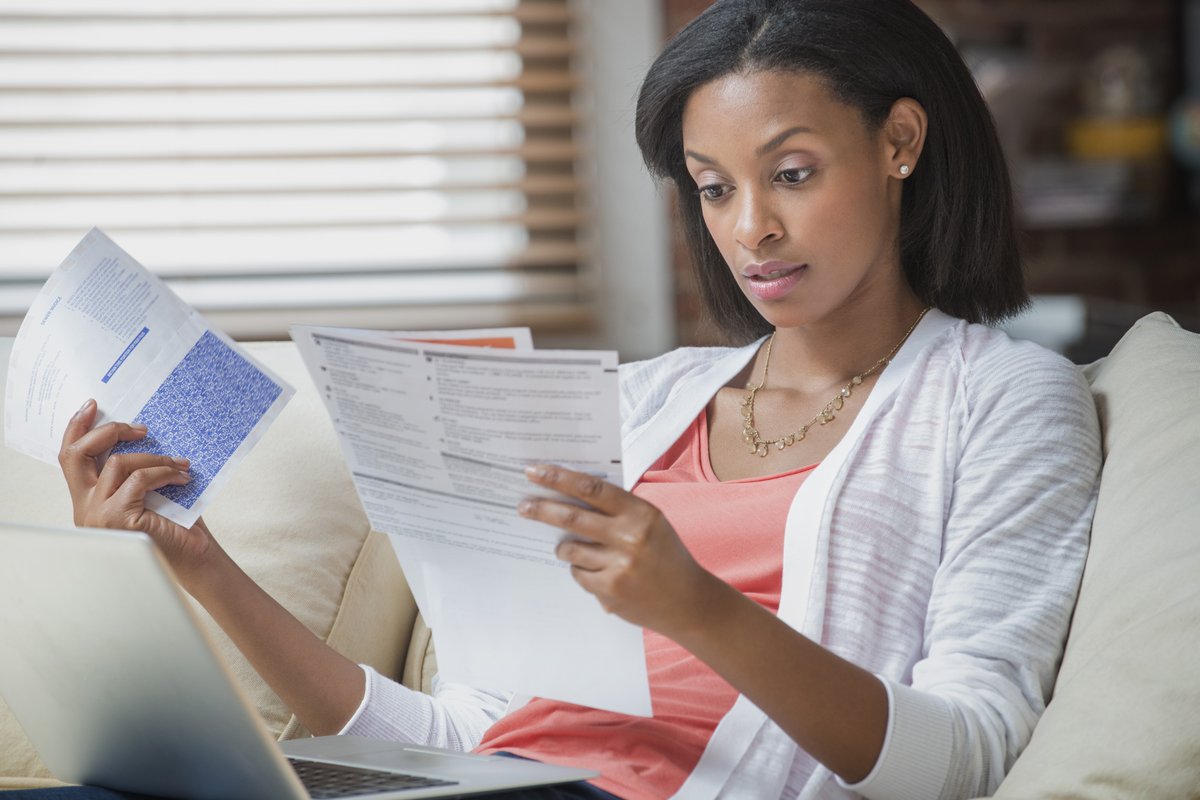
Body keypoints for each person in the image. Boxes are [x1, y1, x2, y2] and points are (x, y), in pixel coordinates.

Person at [37, 1, 1102, 798]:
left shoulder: (1002, 400)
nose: (750, 232)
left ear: (900, 143)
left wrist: (696, 606)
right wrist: (202, 566)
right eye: (716, 186)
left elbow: (966, 755)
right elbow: (456, 735)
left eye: (792, 173)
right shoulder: (645, 401)